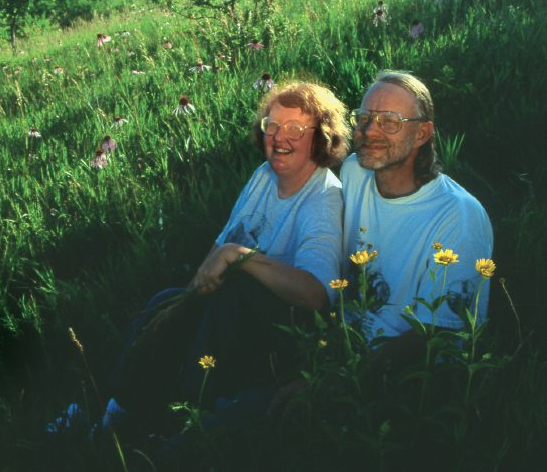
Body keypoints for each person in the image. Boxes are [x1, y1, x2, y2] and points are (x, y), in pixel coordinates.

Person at [106, 81, 353, 433]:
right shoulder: (265, 176)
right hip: (235, 317)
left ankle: (185, 425)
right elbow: (220, 246)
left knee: (236, 287)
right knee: (165, 302)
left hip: (283, 340)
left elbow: (316, 294)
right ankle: (116, 412)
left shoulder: (323, 200)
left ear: (321, 138)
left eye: (296, 129)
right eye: (272, 125)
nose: (279, 138)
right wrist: (191, 296)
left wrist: (239, 256)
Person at [338, 70, 493, 366]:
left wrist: (343, 378)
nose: (370, 130)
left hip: (406, 379)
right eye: (363, 118)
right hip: (341, 344)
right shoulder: (354, 171)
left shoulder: (458, 216)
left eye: (390, 121)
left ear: (422, 133)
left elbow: (439, 333)